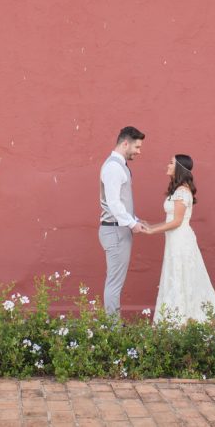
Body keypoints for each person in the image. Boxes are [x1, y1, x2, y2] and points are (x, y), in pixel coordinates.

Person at [145, 154, 215, 324]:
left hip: (181, 241)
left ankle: (181, 321)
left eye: (171, 163)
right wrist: (151, 226)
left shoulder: (181, 191)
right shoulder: (179, 190)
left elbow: (176, 221)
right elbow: (172, 219)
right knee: (179, 276)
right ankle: (180, 319)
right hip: (175, 240)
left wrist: (152, 230)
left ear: (179, 168)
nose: (167, 165)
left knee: (181, 275)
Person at [98, 126, 148, 317]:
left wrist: (134, 219)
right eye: (137, 147)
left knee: (115, 281)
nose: (138, 151)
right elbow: (113, 203)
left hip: (117, 229)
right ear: (125, 143)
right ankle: (112, 329)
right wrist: (132, 224)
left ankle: (113, 325)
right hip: (115, 231)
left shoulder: (118, 166)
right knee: (114, 283)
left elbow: (121, 202)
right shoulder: (113, 167)